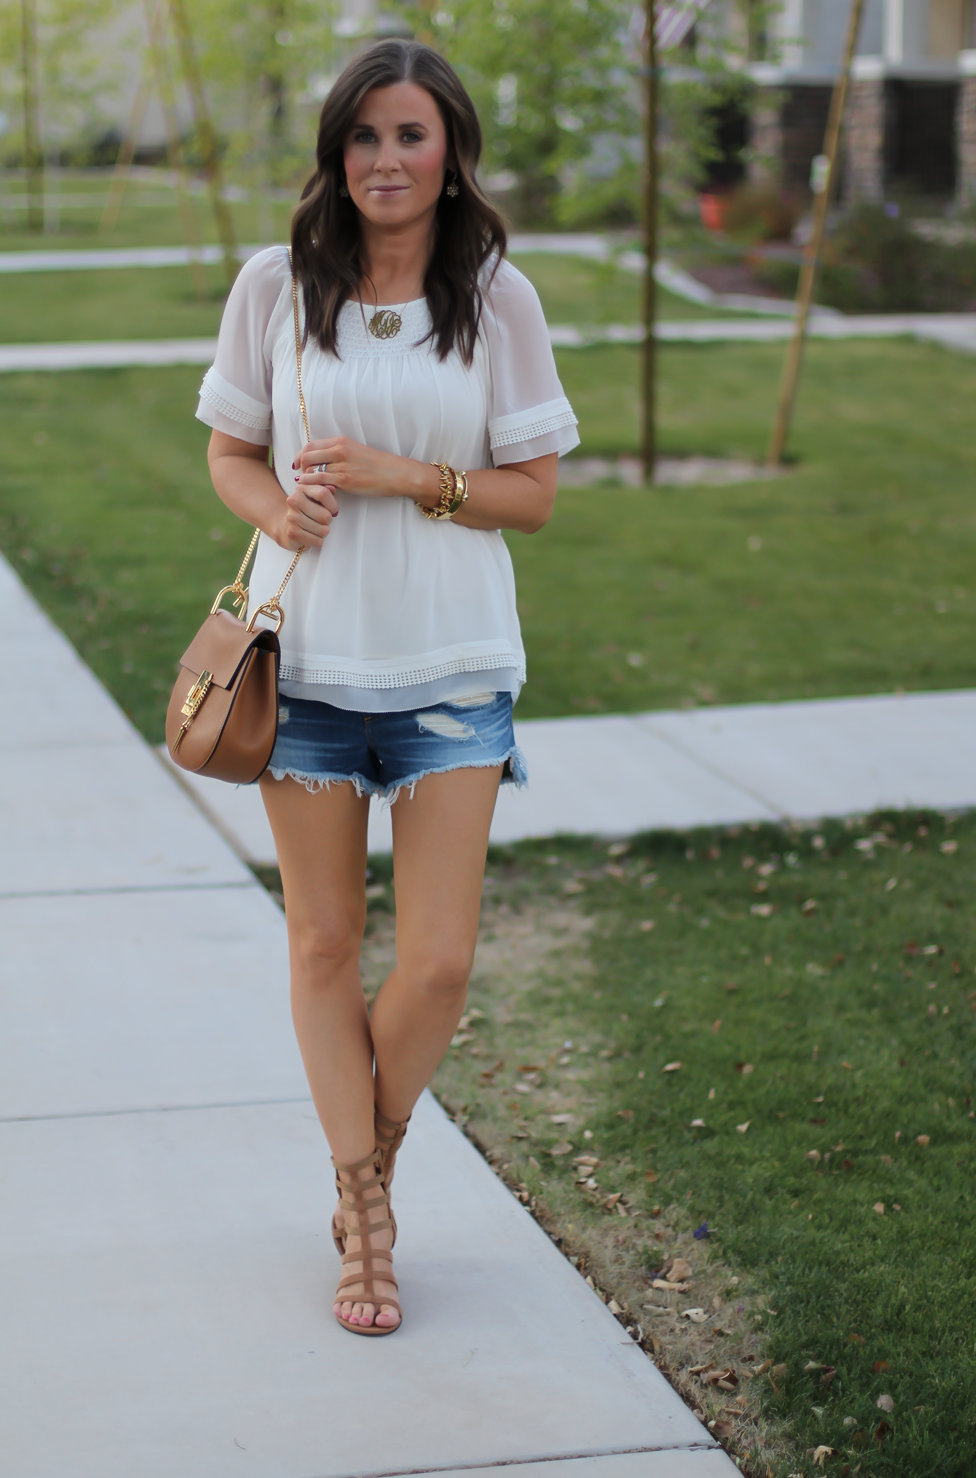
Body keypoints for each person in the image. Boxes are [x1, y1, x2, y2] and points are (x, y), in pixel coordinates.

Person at [196, 38, 578, 1336]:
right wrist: (279, 508)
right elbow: (229, 452)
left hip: (452, 669)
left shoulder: (496, 299)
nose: (386, 161)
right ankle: (365, 1208)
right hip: (300, 662)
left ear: (451, 146)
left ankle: (373, 1151)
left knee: (440, 961)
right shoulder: (275, 284)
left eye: (410, 135)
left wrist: (405, 477)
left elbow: (533, 496)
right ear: (334, 152)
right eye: (363, 137)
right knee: (318, 941)